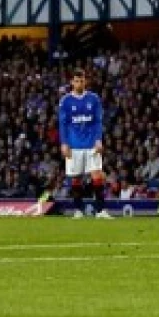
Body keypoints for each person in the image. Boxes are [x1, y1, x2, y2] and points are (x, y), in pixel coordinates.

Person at [58, 70, 107, 219]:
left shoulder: (93, 99)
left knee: (97, 175)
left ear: (85, 81)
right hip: (74, 145)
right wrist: (64, 143)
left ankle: (100, 211)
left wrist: (99, 139)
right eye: (76, 81)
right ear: (72, 82)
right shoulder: (65, 101)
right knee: (76, 178)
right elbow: (63, 124)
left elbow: (98, 121)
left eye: (82, 80)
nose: (79, 83)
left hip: (91, 144)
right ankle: (78, 210)